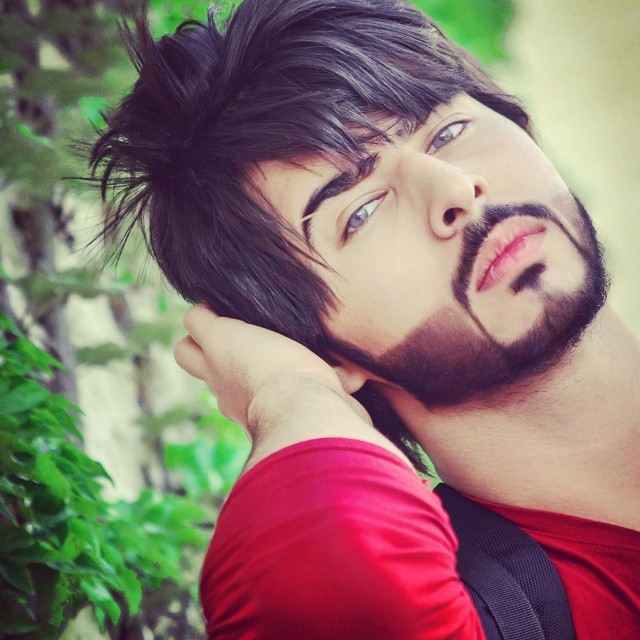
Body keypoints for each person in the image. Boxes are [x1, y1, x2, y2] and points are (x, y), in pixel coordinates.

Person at [89, 0, 640, 637]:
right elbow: (326, 577)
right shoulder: (463, 616)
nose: (455, 188)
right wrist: (290, 394)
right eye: (361, 212)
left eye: (448, 132)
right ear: (322, 351)